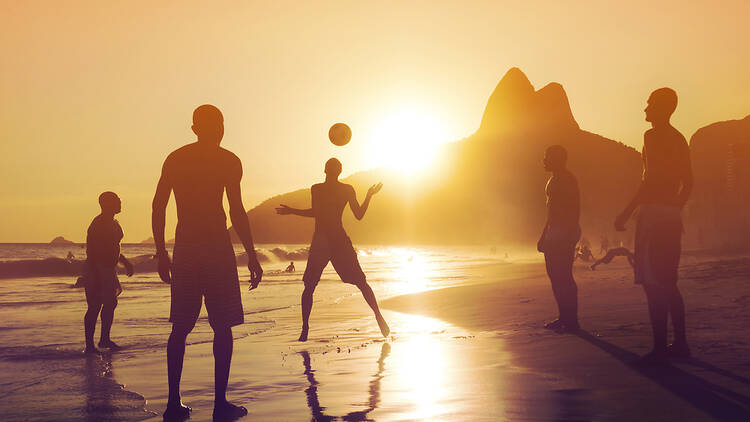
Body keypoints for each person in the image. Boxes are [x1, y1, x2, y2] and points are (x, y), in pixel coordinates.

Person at [152, 105, 263, 421]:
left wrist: (162, 251)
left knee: (182, 327)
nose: (221, 129)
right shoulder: (228, 160)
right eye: (218, 124)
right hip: (214, 249)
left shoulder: (178, 158)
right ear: (203, 128)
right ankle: (218, 403)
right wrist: (252, 254)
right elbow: (237, 211)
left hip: (187, 249)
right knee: (221, 326)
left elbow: (158, 207)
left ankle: (175, 403)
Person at [615, 88, 693, 363]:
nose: (645, 109)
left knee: (651, 282)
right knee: (668, 281)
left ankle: (660, 347)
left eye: (649, 104)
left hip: (652, 217)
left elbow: (648, 182)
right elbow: (689, 182)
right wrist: (674, 209)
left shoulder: (652, 136)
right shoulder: (679, 138)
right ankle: (680, 343)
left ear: (662, 108)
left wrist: (625, 213)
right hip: (671, 217)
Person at [276, 158, 390, 341]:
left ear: (325, 170)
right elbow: (358, 215)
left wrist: (292, 211)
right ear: (339, 171)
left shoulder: (319, 189)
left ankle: (305, 326)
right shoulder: (345, 190)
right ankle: (378, 315)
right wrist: (369, 196)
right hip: (336, 239)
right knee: (360, 282)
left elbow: (317, 212)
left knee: (310, 286)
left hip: (324, 239)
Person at [537, 145, 581, 332]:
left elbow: (574, 208)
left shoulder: (567, 179)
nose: (544, 160)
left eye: (547, 157)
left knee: (564, 277)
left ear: (557, 159)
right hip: (553, 233)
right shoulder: (552, 180)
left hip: (564, 233)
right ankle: (564, 317)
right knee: (555, 276)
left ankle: (571, 321)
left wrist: (571, 233)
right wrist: (544, 235)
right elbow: (551, 213)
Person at [83, 191, 133, 354]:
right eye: (117, 201)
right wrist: (96, 273)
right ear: (106, 204)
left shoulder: (115, 223)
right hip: (96, 269)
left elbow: (114, 247)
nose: (120, 203)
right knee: (95, 306)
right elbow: (92, 251)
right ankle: (90, 345)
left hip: (108, 270)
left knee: (111, 303)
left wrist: (125, 262)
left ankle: (104, 338)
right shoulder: (98, 224)